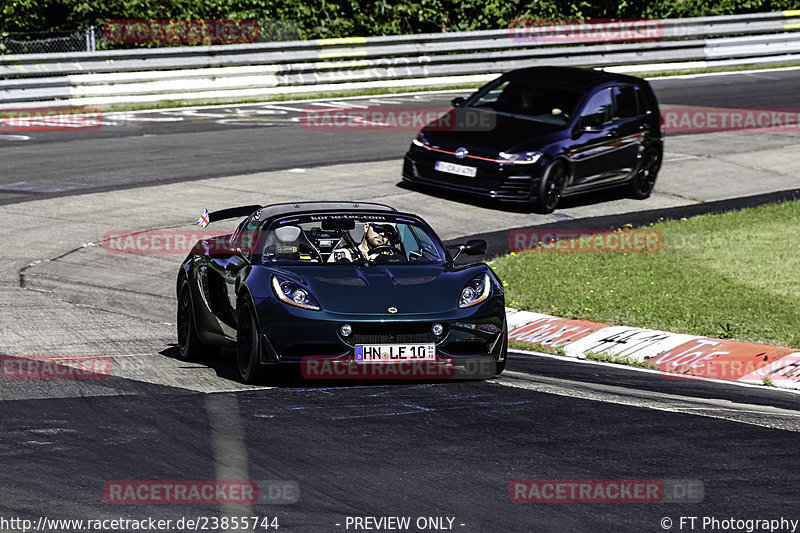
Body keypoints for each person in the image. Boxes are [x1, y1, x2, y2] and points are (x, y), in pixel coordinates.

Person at [328, 222, 398, 262]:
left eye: (388, 232)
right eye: (378, 228)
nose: (382, 234)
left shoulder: (391, 257)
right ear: (366, 228)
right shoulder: (343, 255)